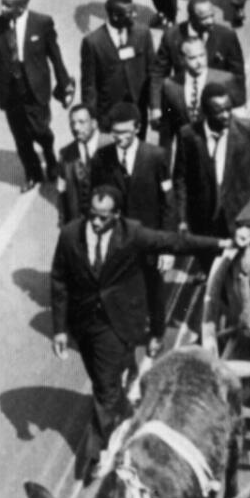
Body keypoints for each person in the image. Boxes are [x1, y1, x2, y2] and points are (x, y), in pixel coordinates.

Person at [51, 184, 241, 477]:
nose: (96, 223)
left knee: (104, 388)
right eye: (93, 216)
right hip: (84, 324)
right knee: (103, 375)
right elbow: (59, 280)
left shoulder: (132, 234)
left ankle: (93, 455)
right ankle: (126, 394)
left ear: (116, 215)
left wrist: (220, 244)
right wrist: (60, 329)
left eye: (104, 218)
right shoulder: (70, 236)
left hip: (116, 322)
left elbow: (175, 242)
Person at [90, 102, 178, 352]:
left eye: (125, 132)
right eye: (115, 133)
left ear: (138, 129)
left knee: (154, 288)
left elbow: (168, 204)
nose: (119, 138)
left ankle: (157, 334)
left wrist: (167, 247)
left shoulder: (156, 157)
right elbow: (96, 200)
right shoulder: (102, 159)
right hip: (118, 241)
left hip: (149, 238)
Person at [0, 0, 73, 191]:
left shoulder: (41, 23)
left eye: (8, 6)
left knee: (40, 130)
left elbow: (55, 56)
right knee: (20, 136)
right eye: (2, 4)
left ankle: (50, 157)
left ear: (21, 8)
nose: (2, 9)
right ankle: (32, 174)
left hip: (35, 87)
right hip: (10, 90)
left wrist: (64, 83)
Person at [172, 86, 250, 236]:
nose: (226, 115)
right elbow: (180, 180)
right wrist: (182, 220)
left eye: (228, 109)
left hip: (240, 219)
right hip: (204, 224)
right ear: (205, 112)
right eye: (219, 111)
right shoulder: (188, 136)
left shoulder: (247, 129)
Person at [80, 0, 155, 133]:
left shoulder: (142, 33)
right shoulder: (92, 42)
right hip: (109, 111)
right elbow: (89, 85)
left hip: (138, 107)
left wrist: (155, 105)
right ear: (115, 16)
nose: (135, 15)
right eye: (130, 13)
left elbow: (152, 70)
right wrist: (91, 117)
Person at [56, 102, 99, 225]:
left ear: (94, 123)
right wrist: (63, 222)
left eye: (82, 122)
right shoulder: (65, 154)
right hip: (79, 224)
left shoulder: (111, 146)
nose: (76, 128)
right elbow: (62, 192)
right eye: (72, 123)